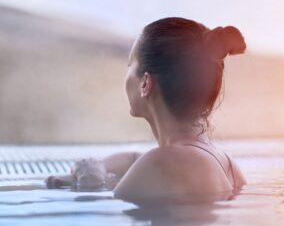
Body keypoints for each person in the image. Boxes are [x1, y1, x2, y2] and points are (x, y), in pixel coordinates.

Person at [45, 17, 247, 201]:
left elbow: (111, 214)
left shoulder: (162, 164)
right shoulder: (225, 162)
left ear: (145, 83)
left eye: (129, 65)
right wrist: (97, 168)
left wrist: (92, 186)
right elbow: (134, 158)